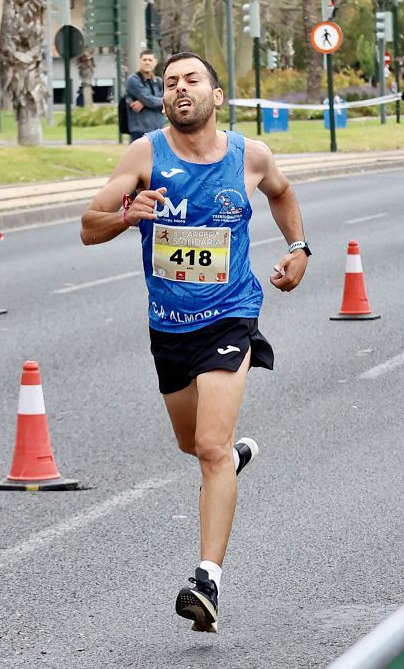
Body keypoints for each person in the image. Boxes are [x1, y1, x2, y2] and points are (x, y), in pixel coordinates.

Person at [80, 52, 309, 633]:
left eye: (192, 80)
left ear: (217, 96)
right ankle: (231, 460)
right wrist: (128, 216)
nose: (180, 89)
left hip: (231, 315)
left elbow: (280, 193)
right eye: (170, 83)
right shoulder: (144, 154)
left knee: (209, 446)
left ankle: (206, 579)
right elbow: (88, 226)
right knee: (196, 446)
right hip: (168, 326)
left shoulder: (249, 156)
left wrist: (300, 248)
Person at [125, 50, 166, 143]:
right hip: (140, 131)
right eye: (144, 60)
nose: (147, 62)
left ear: (155, 62)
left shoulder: (159, 81)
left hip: (158, 131)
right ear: (139, 62)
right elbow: (150, 101)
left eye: (150, 60)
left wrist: (143, 102)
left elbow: (168, 97)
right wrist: (149, 101)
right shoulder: (134, 80)